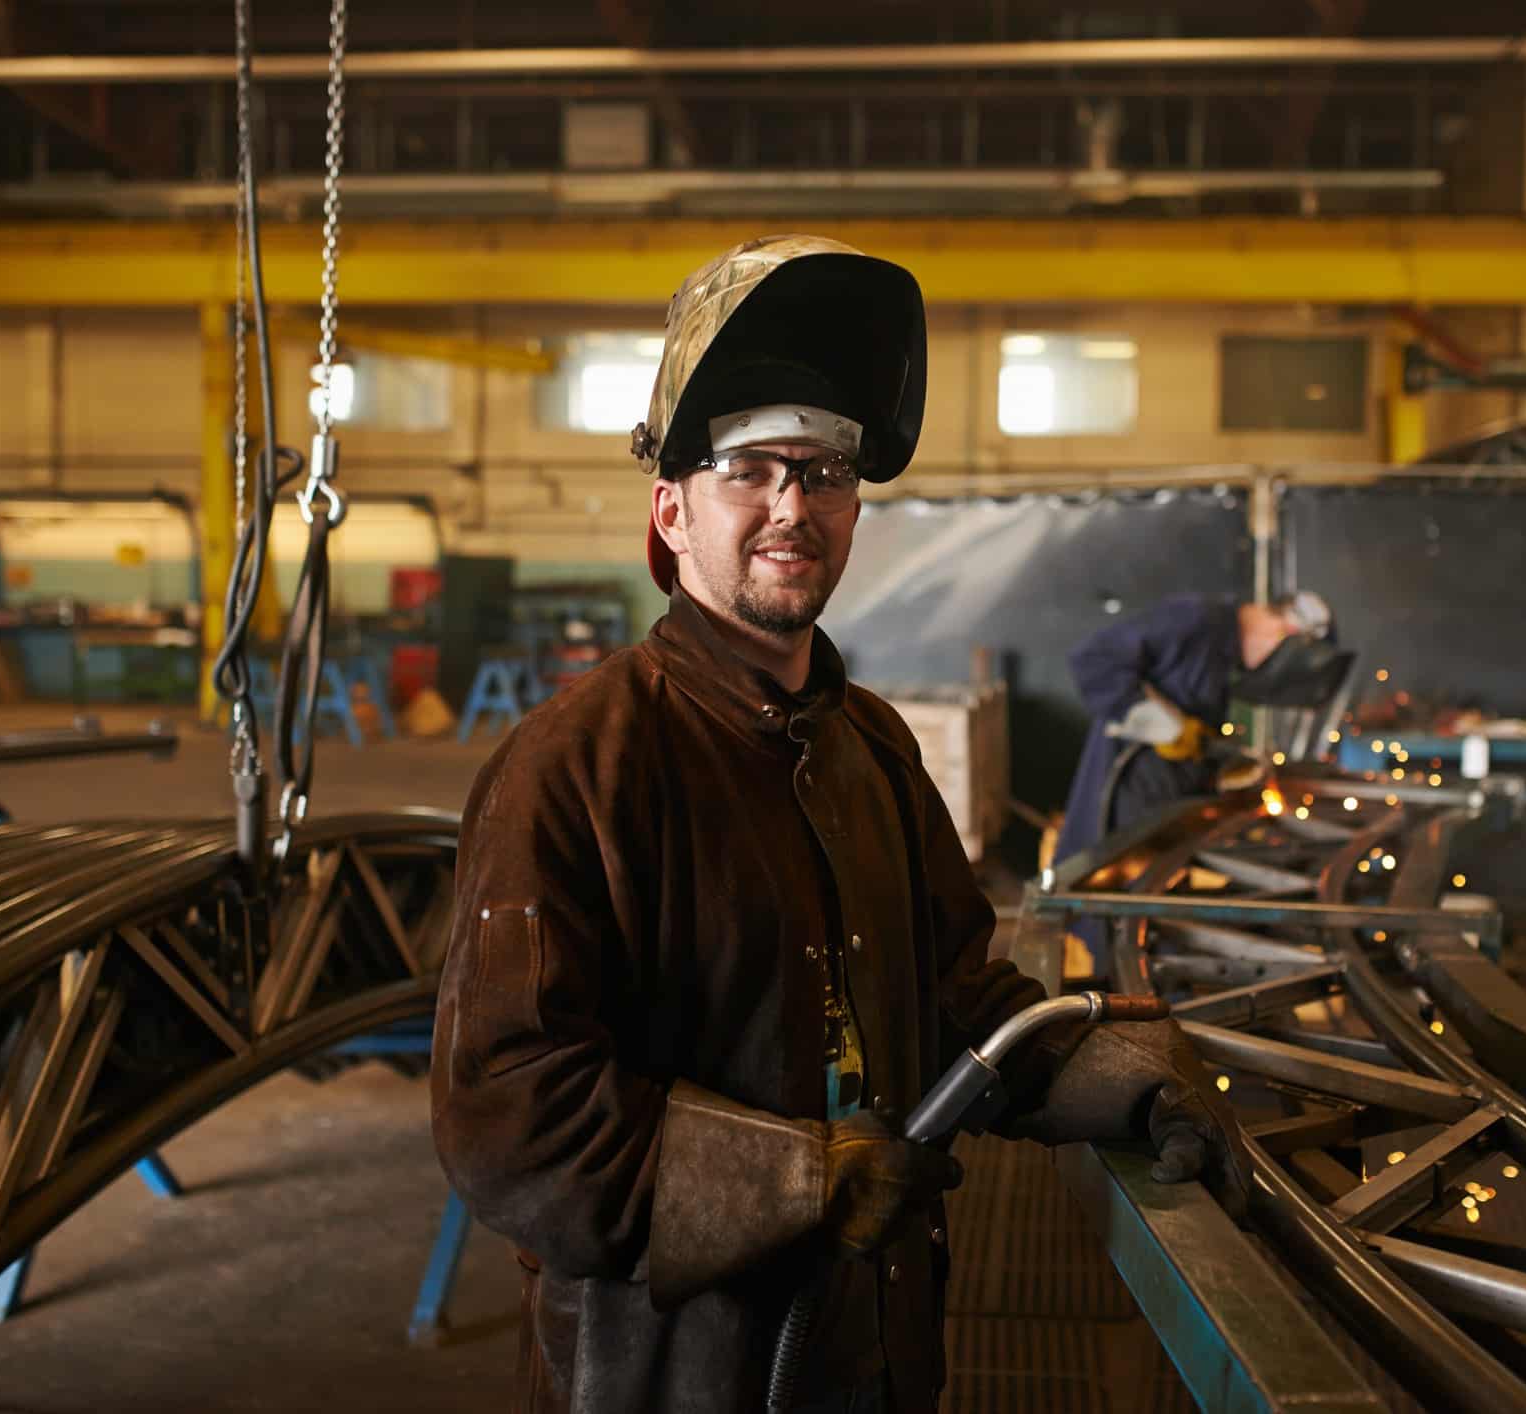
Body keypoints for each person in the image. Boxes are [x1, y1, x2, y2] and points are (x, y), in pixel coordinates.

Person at [430, 234, 1251, 1414]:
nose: (791, 506)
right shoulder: (577, 764)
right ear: (670, 510)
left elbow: (961, 1000)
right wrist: (796, 1180)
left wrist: (1133, 1078)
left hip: (876, 1354)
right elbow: (509, 1113)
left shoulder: (869, 749)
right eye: (751, 470)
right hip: (679, 1375)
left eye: (821, 473)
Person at [1051, 592, 1342, 971]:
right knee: (1119, 936)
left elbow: (1194, 732)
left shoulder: (1222, 649)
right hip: (1125, 804)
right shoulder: (1196, 620)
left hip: (1163, 811)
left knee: (1151, 930)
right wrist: (1158, 723)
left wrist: (1226, 761)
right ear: (1285, 631)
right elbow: (1093, 659)